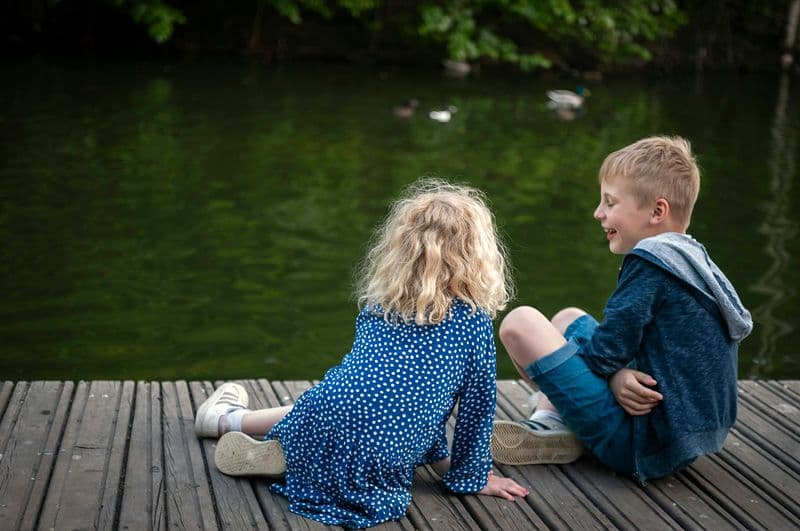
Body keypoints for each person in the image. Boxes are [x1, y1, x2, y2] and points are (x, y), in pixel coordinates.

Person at [194, 179, 528, 528]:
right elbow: (477, 409)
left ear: (401, 248)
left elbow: (366, 381)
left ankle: (258, 432)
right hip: (386, 450)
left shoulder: (379, 306)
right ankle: (294, 449)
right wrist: (472, 477)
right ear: (479, 255)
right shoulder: (471, 323)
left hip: (327, 415)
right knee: (399, 412)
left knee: (337, 400)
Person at [491, 136, 753, 483]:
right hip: (686, 435)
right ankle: (555, 418)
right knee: (568, 317)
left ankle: (553, 417)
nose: (598, 213)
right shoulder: (692, 259)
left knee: (519, 323)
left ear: (657, 212)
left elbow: (603, 356)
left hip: (639, 444)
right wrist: (619, 373)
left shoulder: (652, 264)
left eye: (610, 203)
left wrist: (614, 376)